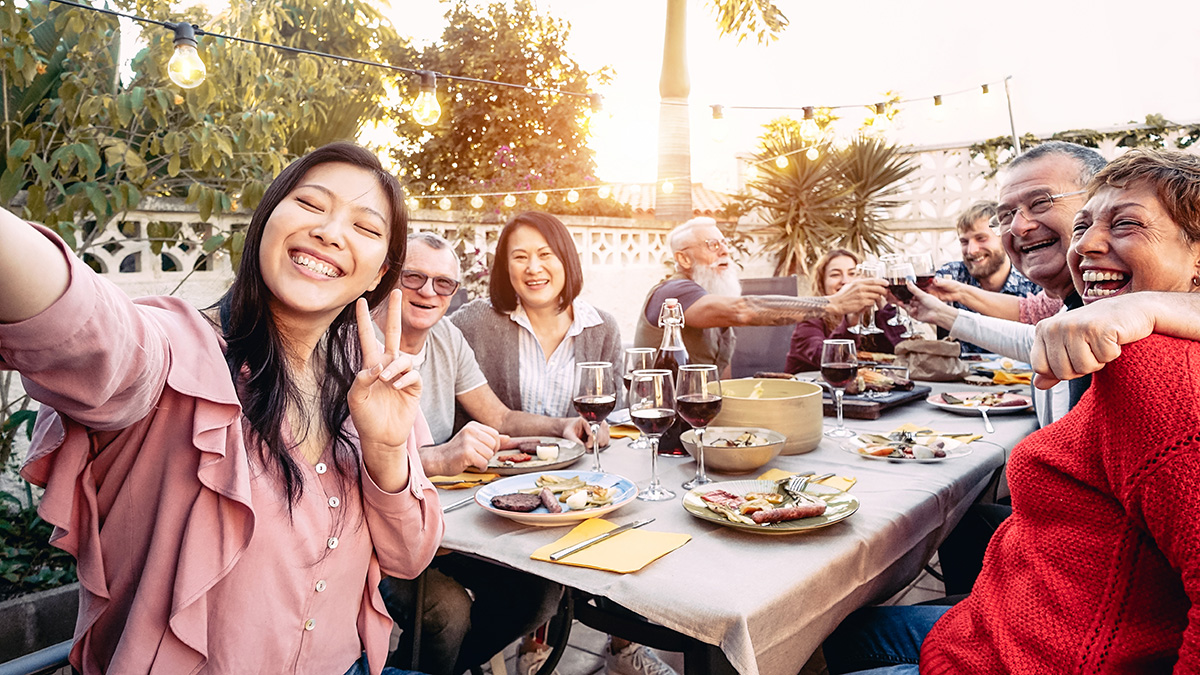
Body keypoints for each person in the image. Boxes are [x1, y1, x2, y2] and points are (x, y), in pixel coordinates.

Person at [1, 142, 442, 675]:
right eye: (310, 205)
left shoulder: (373, 384)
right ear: (266, 222)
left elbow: (409, 555)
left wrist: (387, 447)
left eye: (366, 228)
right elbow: (91, 329)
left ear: (379, 273)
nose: (331, 232)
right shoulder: (179, 353)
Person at [823, 147, 1200, 674]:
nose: (1086, 243)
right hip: (1014, 622)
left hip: (1043, 650)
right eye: (1005, 215)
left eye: (1126, 223)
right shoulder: (1094, 325)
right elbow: (1034, 333)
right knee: (843, 631)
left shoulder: (1159, 372)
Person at [451, 212, 672, 675]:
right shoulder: (474, 323)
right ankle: (536, 644)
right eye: (520, 257)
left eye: (545, 254)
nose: (534, 268)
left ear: (566, 261)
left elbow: (609, 414)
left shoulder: (601, 326)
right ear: (505, 268)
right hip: (501, 482)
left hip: (578, 478)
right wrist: (562, 426)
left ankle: (623, 646)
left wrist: (602, 428)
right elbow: (487, 413)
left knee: (637, 529)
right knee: (534, 576)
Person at [376, 231, 588, 675]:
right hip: (377, 538)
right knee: (447, 612)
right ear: (387, 277)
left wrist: (562, 426)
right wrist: (436, 458)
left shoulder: (447, 337)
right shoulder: (354, 342)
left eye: (443, 283)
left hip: (444, 528)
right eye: (413, 277)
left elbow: (499, 417)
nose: (429, 292)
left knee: (541, 590)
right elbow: (343, 463)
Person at [902, 141, 1107, 427]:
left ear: (1101, 203)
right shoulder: (1069, 312)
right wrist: (938, 313)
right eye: (1006, 216)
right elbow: (1034, 339)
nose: (1020, 226)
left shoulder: (1120, 313)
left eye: (1040, 202)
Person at [634, 217, 887, 378]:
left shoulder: (712, 299)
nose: (725, 250)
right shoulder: (673, 293)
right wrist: (833, 304)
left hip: (700, 420)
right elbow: (744, 310)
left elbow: (722, 379)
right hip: (661, 427)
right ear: (683, 258)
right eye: (712, 244)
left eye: (725, 242)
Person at [928, 200, 1044, 351]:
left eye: (981, 238)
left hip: (1022, 374)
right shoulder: (952, 275)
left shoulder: (1033, 280)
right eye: (964, 241)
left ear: (1004, 238)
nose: (971, 250)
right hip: (962, 373)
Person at [784, 248, 905, 373]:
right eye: (835, 275)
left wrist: (885, 308)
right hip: (808, 389)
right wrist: (850, 321)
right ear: (822, 282)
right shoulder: (810, 319)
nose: (846, 281)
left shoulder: (870, 318)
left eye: (853, 274)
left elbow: (905, 352)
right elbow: (829, 359)